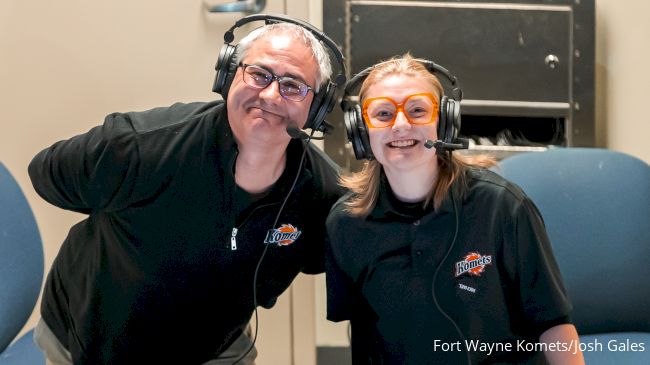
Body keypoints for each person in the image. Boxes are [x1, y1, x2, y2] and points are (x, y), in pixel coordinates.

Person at [29, 15, 345, 365]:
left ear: (315, 108)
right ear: (228, 75)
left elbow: (326, 257)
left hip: (212, 347)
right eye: (259, 75)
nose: (271, 95)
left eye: (293, 86)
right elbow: (48, 173)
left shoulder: (322, 193)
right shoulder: (139, 147)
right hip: (91, 341)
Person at [325, 54, 584, 364]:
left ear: (444, 123)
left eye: (418, 110)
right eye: (382, 114)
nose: (401, 125)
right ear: (361, 130)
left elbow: (553, 325)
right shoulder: (346, 222)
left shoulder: (503, 207)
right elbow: (365, 340)